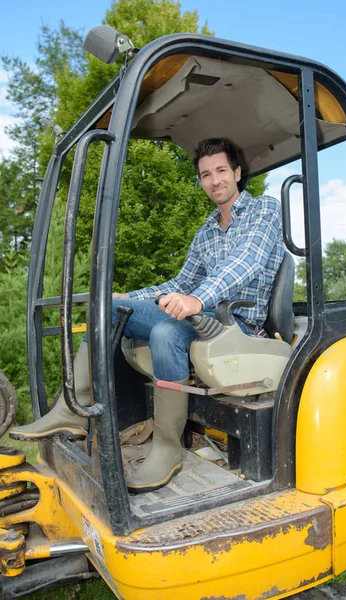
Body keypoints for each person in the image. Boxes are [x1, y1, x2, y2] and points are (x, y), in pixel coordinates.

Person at [10, 138, 284, 493]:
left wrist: (196, 300)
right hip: (200, 317)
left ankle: (167, 448)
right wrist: (130, 297)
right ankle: (72, 409)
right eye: (205, 174)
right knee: (107, 310)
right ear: (200, 181)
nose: (214, 180)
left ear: (236, 172)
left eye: (220, 171)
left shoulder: (264, 210)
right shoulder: (205, 232)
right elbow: (180, 282)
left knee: (166, 333)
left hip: (238, 323)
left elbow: (246, 261)